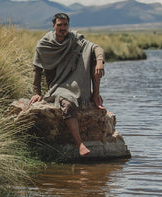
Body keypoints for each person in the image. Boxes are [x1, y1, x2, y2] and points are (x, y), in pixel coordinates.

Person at [29, 12, 106, 156]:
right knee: (68, 104)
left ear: (68, 26)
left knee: (94, 58)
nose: (63, 28)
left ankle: (95, 96)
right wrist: (36, 93)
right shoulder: (44, 44)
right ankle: (80, 144)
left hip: (74, 80)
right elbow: (37, 69)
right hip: (57, 85)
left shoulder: (74, 39)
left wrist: (100, 62)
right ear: (53, 26)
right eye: (59, 25)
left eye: (65, 25)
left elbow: (96, 48)